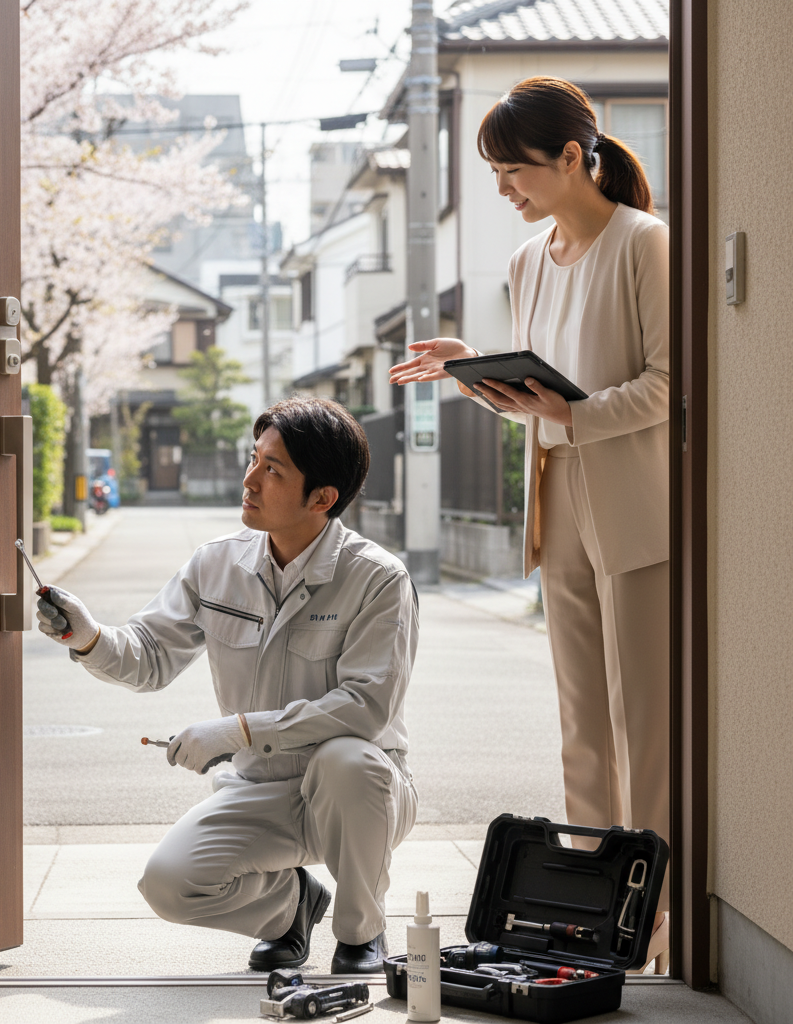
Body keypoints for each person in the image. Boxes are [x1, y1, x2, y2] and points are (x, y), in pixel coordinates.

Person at [389, 77, 670, 973]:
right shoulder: (525, 262)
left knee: (646, 721)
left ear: (573, 158)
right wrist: (479, 372)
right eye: (496, 173)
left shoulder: (645, 245)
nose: (504, 189)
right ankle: (595, 911)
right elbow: (537, 404)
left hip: (636, 506)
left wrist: (567, 415)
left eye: (514, 171)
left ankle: (654, 919)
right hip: (558, 501)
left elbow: (671, 385)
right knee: (582, 722)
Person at [37, 396, 419, 973]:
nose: (249, 481)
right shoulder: (216, 565)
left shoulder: (377, 580)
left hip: (358, 796)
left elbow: (364, 708)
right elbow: (149, 656)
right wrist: (89, 637)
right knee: (168, 885)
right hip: (261, 788)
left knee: (348, 761)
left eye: (272, 470)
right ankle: (291, 907)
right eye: (254, 459)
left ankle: (361, 934)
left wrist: (238, 729)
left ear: (322, 498)